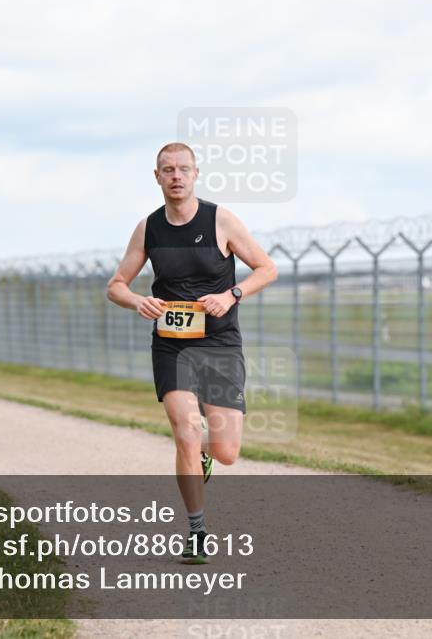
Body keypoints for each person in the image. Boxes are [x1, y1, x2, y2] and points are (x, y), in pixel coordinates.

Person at [107, 142, 277, 563]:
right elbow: (115, 286)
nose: (176, 176)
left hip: (219, 341)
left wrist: (232, 294)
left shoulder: (220, 220)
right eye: (168, 170)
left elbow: (266, 268)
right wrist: (137, 301)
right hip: (171, 344)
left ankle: (204, 454)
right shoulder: (148, 228)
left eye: (183, 168)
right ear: (157, 177)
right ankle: (197, 531)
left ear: (196, 173)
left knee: (226, 451)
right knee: (184, 428)